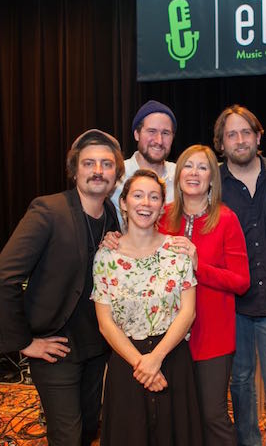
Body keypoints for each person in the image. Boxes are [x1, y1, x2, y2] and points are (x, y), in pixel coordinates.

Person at [0, 129, 123, 446]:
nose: (98, 171)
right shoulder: (48, 210)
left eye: (106, 164)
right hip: (55, 348)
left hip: (96, 346)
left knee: (89, 429)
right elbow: (2, 277)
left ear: (116, 174)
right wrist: (24, 343)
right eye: (89, 163)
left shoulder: (111, 215)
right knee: (67, 437)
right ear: (74, 171)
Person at [92, 169, 202, 446]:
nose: (146, 203)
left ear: (162, 206)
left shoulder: (178, 251)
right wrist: (142, 364)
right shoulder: (106, 256)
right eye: (138, 195)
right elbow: (106, 323)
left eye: (154, 197)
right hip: (127, 362)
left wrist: (156, 358)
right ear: (124, 203)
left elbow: (188, 312)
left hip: (172, 358)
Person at [213, 105, 266, 446]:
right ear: (221, 143)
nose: (240, 140)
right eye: (231, 134)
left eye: (246, 132)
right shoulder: (213, 182)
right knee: (241, 384)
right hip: (231, 305)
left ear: (259, 137)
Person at [160, 144, 250, 445]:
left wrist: (199, 265)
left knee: (213, 415)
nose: (194, 173)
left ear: (212, 178)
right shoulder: (163, 216)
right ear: (178, 174)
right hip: (169, 334)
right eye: (188, 166)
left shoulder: (225, 219)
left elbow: (241, 281)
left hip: (212, 336)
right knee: (179, 415)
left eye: (202, 167)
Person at [110, 100, 177, 220]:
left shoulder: (181, 176)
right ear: (137, 134)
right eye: (152, 131)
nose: (159, 141)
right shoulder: (116, 176)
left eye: (166, 133)